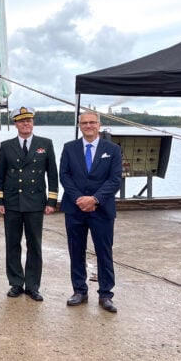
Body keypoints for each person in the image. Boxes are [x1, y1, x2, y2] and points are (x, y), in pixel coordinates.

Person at [60, 111, 122, 313]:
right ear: (79, 126)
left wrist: (94, 199)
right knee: (76, 250)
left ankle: (106, 294)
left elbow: (114, 180)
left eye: (92, 122)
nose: (88, 126)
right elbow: (65, 176)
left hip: (101, 209)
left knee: (104, 252)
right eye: (84, 123)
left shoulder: (112, 149)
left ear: (99, 124)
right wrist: (80, 199)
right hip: (75, 209)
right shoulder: (69, 148)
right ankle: (79, 290)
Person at [0, 107, 58, 302]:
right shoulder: (6, 146)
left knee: (34, 245)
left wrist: (52, 201)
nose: (26, 124)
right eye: (21, 121)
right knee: (12, 244)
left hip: (35, 203)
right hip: (12, 202)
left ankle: (32, 286)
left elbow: (52, 174)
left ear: (33, 122)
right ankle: (15, 283)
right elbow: (1, 174)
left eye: (29, 120)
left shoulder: (45, 144)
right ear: (15, 124)